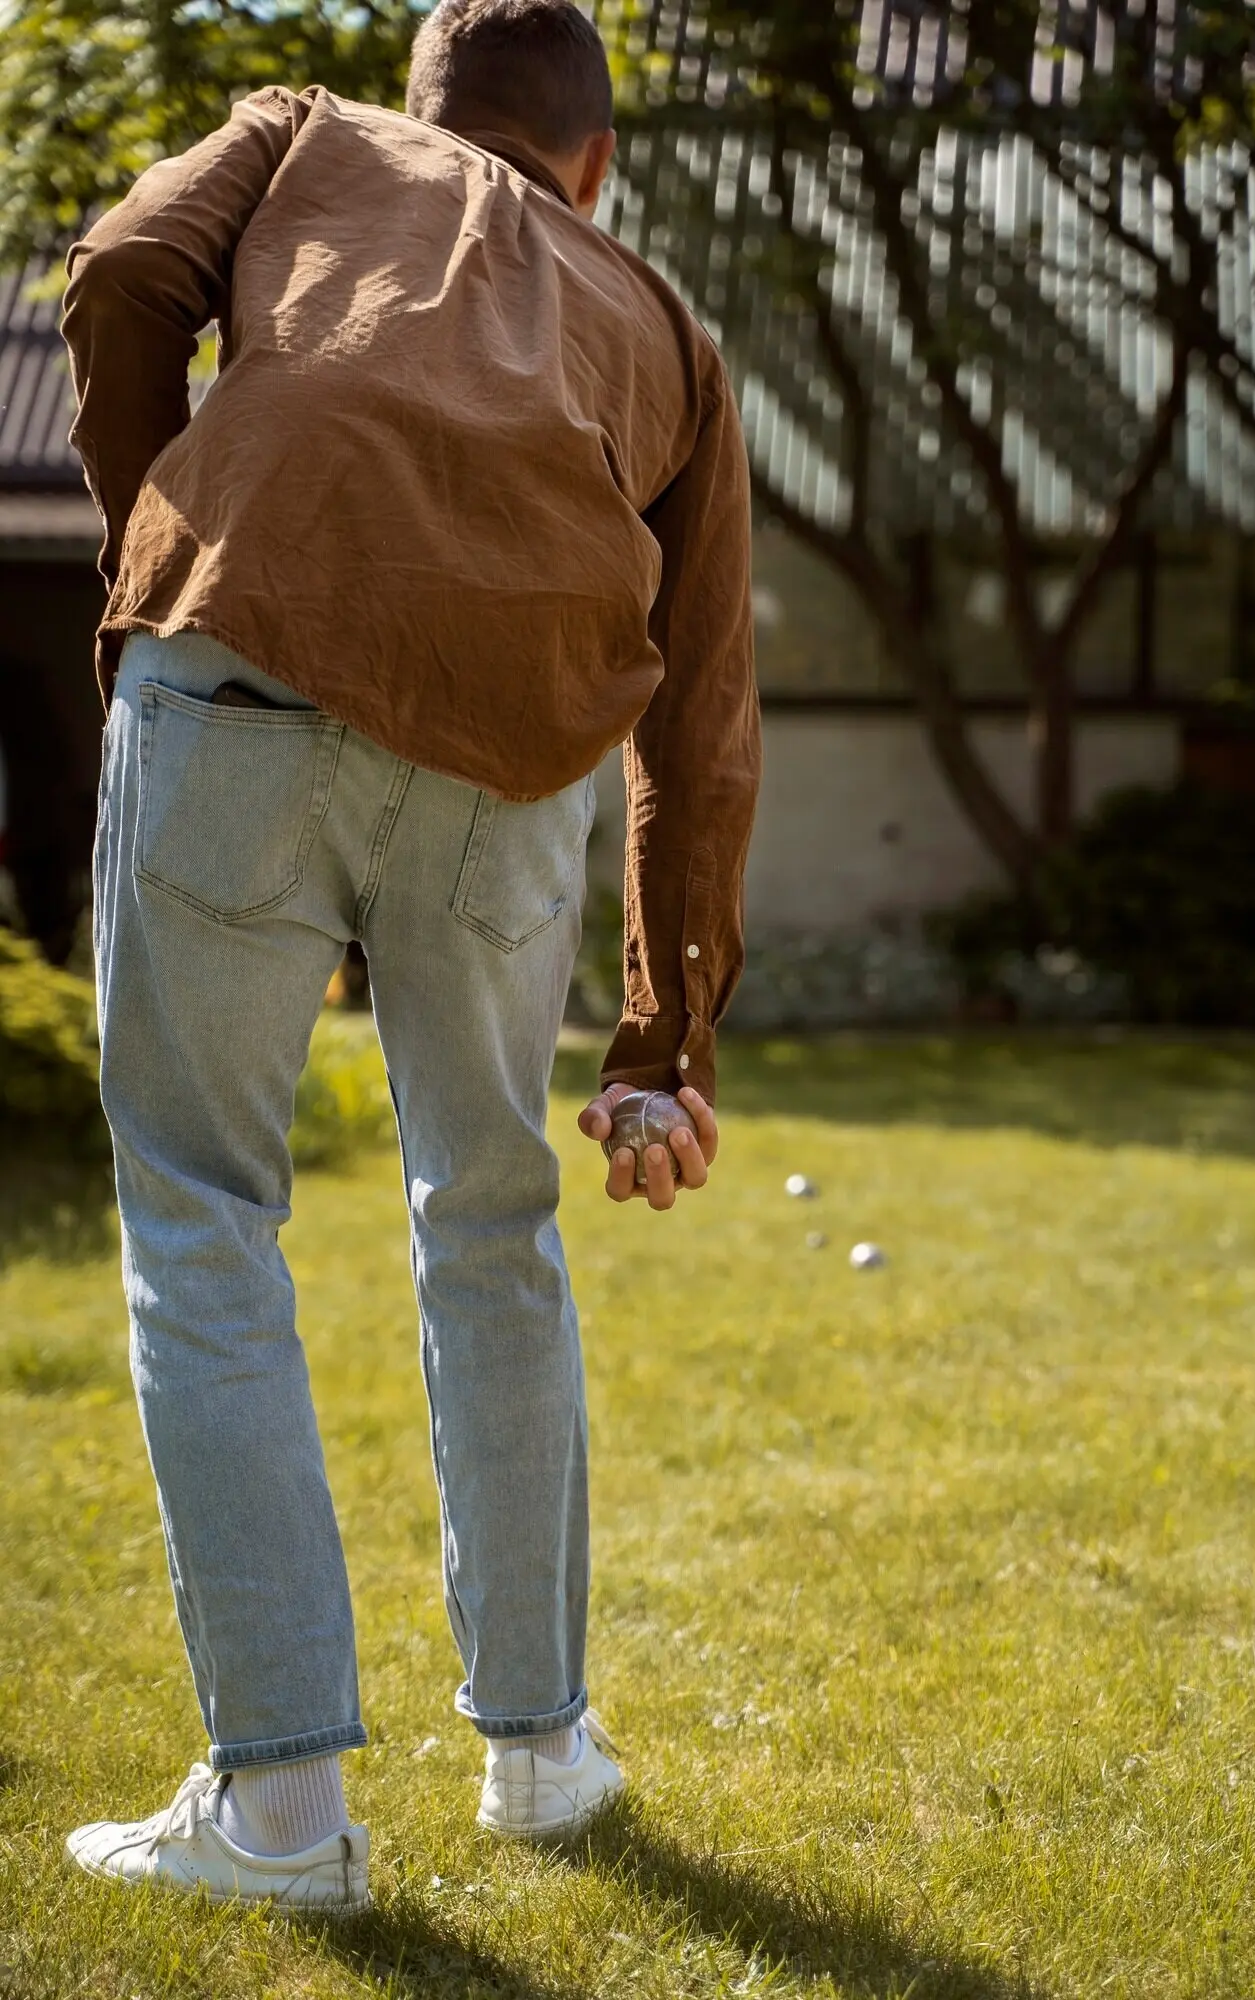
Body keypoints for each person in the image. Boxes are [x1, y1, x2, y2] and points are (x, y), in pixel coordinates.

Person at [58, 0, 760, 1915]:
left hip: (238, 677)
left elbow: (122, 273)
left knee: (204, 1217)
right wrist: (660, 1038)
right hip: (512, 747)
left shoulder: (305, 133)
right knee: (496, 1217)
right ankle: (540, 1759)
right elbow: (699, 713)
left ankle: (280, 1818)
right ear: (595, 160)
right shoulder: (669, 329)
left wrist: (163, 553)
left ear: (422, 109)